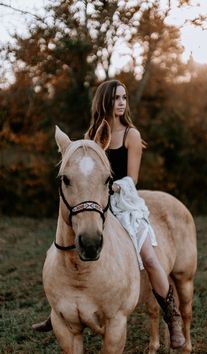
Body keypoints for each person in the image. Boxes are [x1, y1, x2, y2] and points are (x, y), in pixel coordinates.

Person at [32, 79, 185, 349]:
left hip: (124, 204)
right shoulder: (92, 135)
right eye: (116, 98)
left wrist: (110, 187)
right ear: (105, 101)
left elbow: (133, 179)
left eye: (124, 97)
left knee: (149, 257)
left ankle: (172, 315)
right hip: (95, 204)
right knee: (62, 246)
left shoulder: (131, 135)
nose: (122, 103)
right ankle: (58, 309)